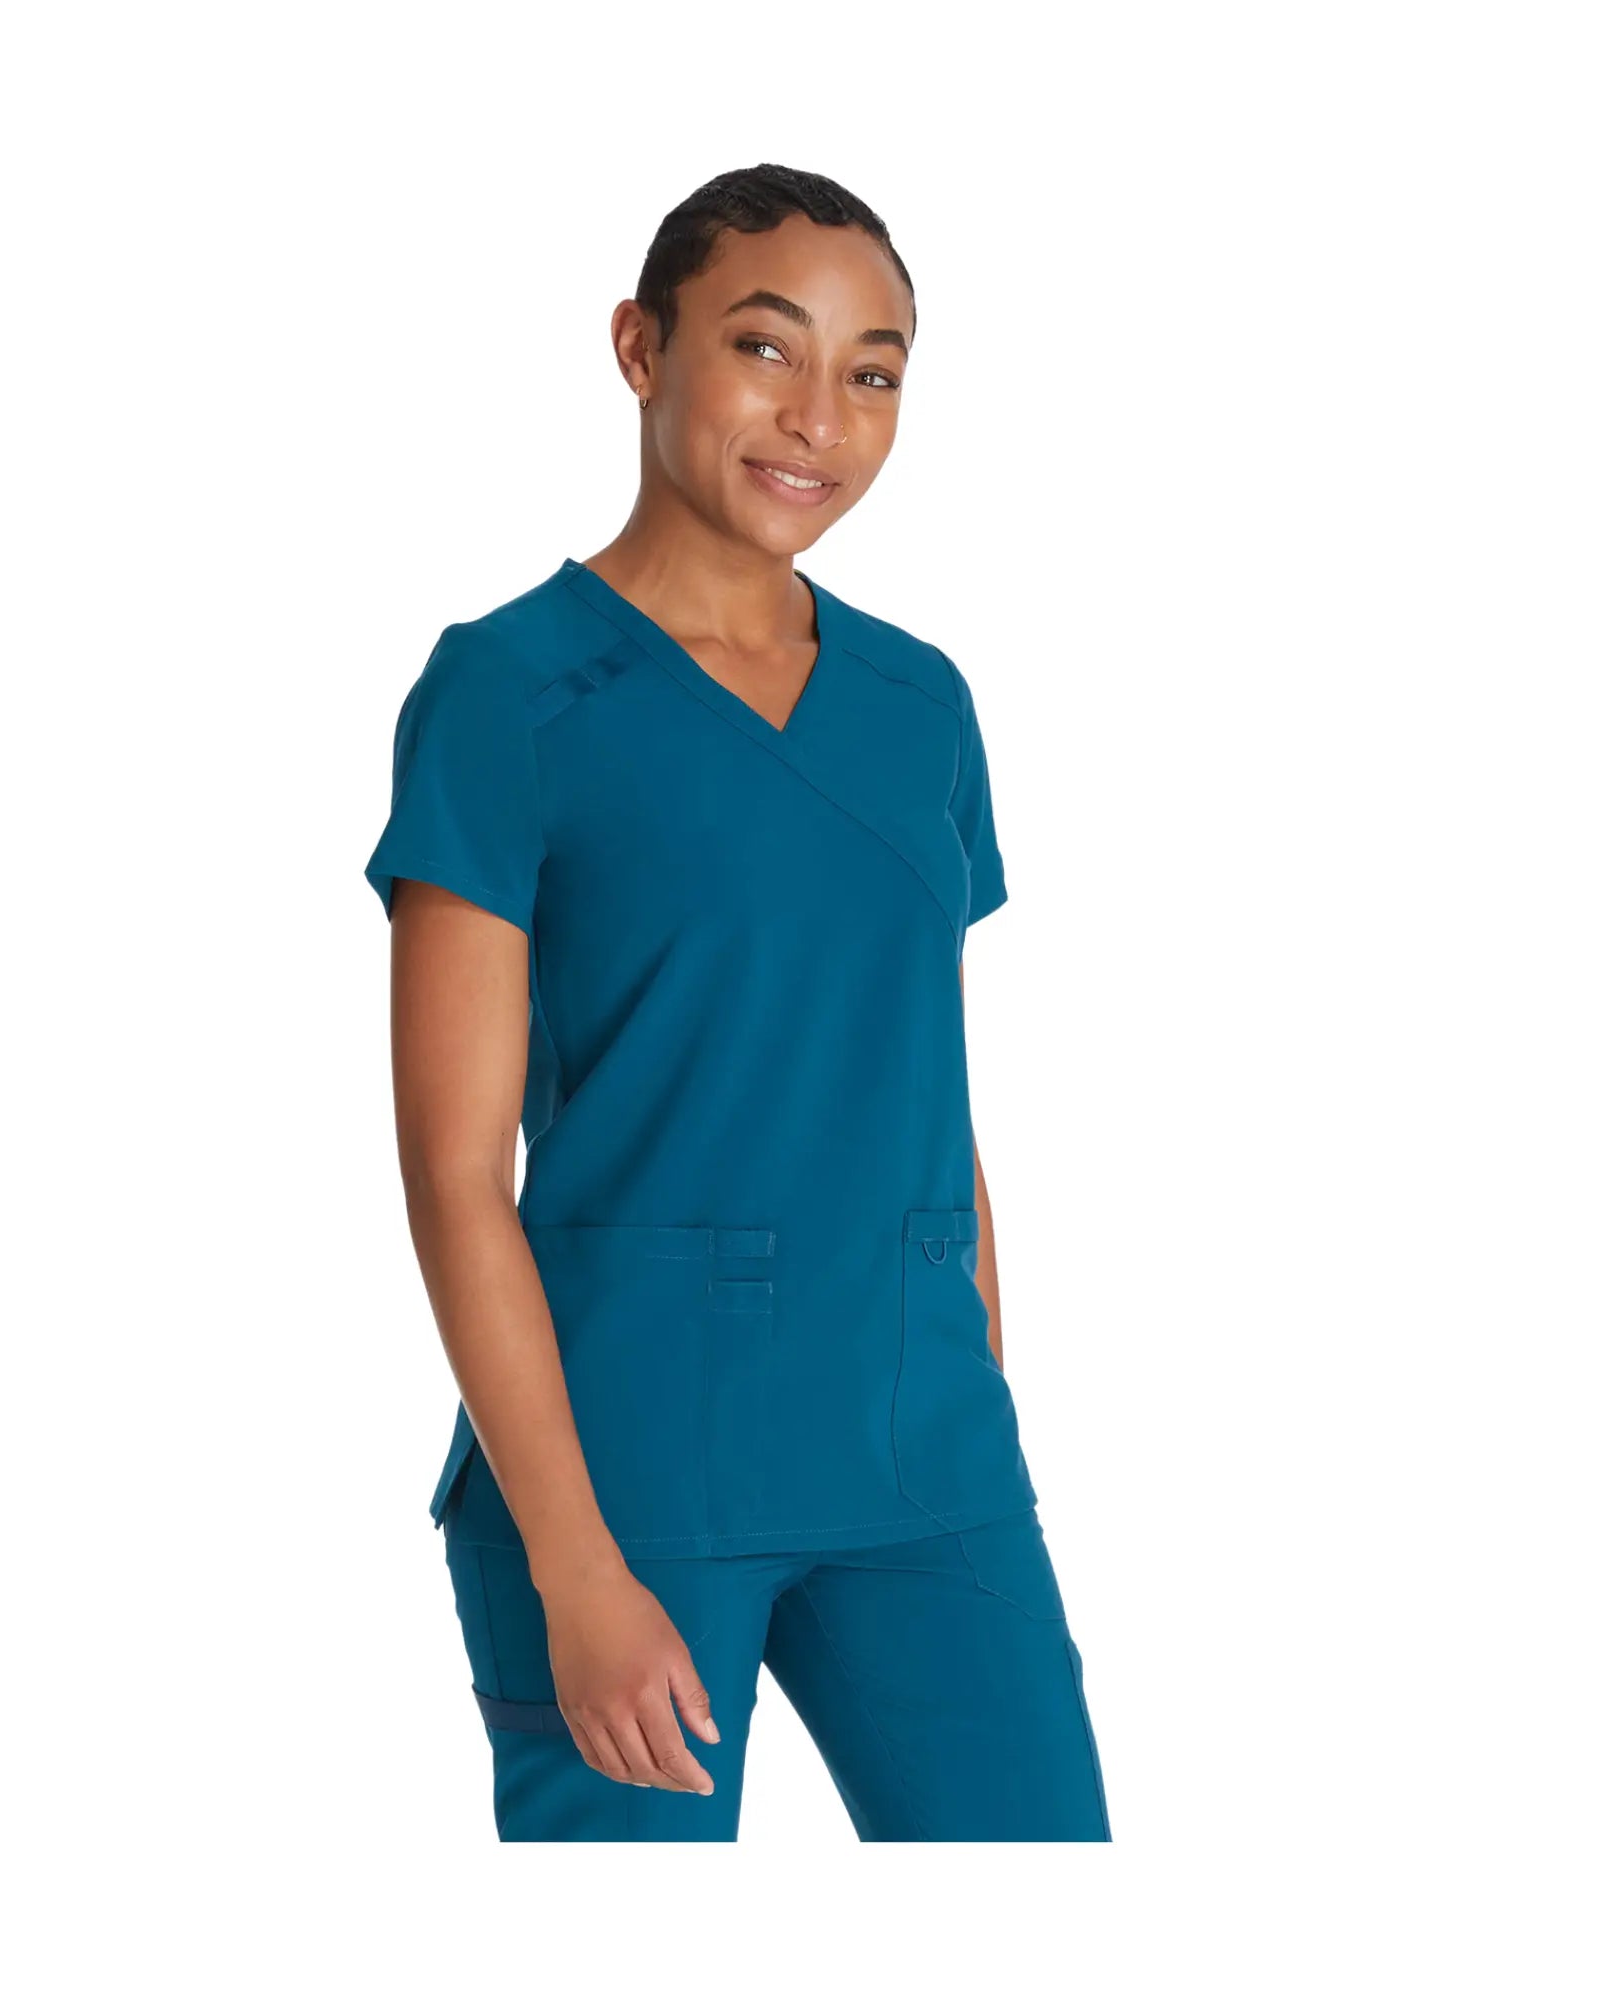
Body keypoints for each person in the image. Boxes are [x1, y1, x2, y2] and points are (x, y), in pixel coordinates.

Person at [363, 163, 1111, 1841]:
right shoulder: (509, 694)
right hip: (630, 1461)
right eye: (767, 347)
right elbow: (454, 1174)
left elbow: (928, 1097)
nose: (819, 419)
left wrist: (977, 1407)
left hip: (924, 1459)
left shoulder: (921, 706)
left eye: (873, 371)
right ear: (642, 347)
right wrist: (571, 1563)